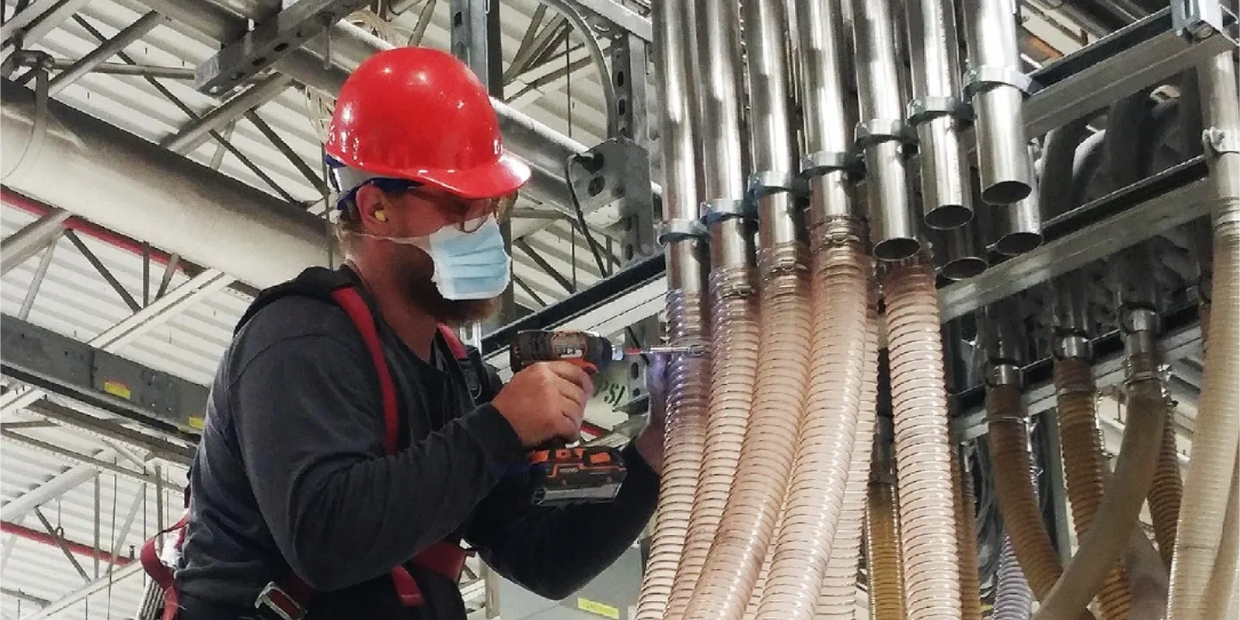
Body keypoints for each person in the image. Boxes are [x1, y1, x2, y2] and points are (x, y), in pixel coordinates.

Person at [173, 46, 664, 620]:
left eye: (492, 205)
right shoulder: (298, 341)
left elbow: (544, 559)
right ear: (377, 209)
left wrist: (653, 450)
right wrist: (500, 428)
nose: (483, 227)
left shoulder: (459, 381)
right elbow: (325, 538)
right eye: (460, 204)